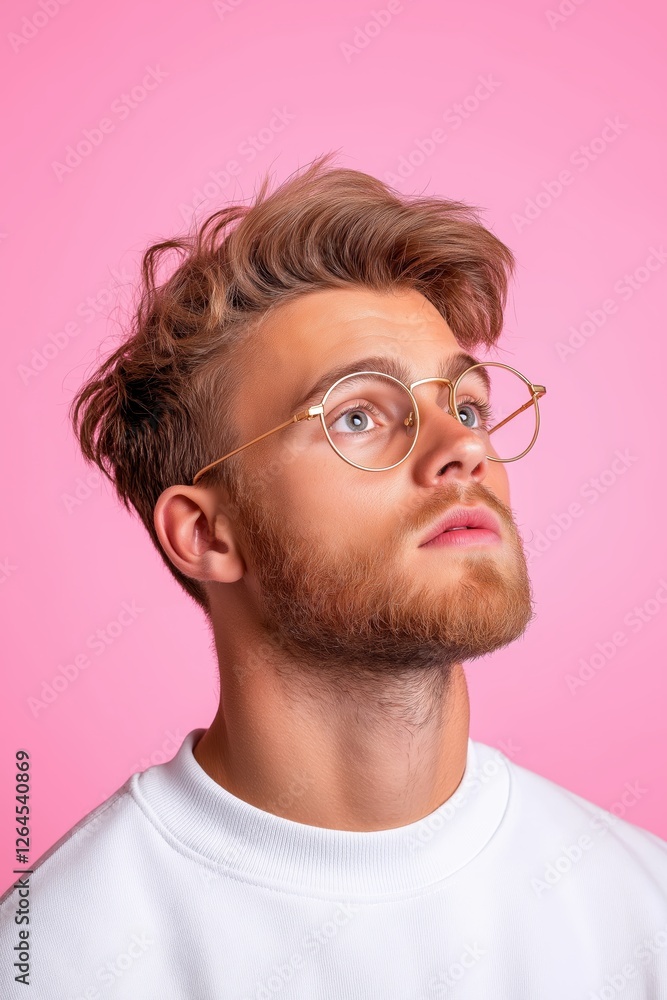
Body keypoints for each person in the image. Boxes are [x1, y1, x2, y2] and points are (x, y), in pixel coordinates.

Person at [2, 154, 666, 999]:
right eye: (357, 415)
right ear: (205, 533)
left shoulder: (643, 920)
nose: (463, 448)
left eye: (463, 407)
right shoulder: (55, 963)